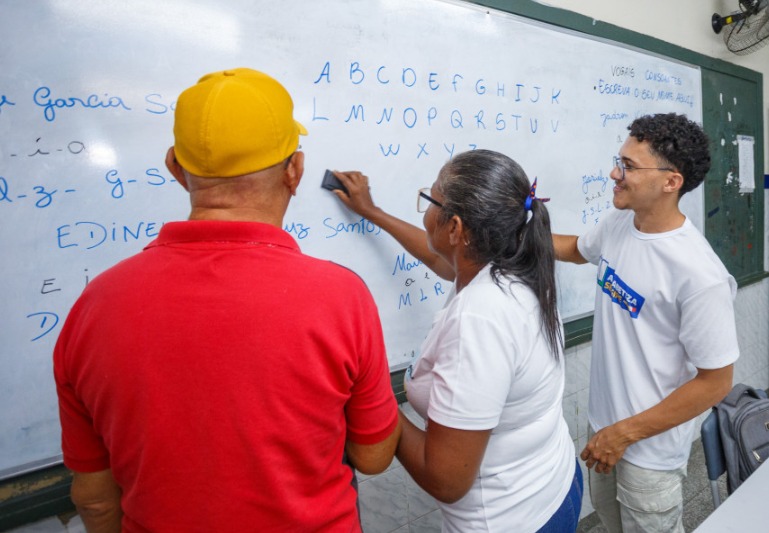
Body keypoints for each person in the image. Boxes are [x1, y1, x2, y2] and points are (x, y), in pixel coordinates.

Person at [53, 68, 400, 532]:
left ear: (176, 168)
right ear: (295, 170)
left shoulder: (94, 305)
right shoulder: (342, 297)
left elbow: (94, 499)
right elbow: (374, 457)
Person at [332, 149, 583, 533]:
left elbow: (446, 481)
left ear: (455, 229)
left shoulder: (481, 317)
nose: (425, 211)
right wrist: (374, 212)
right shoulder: (517, 265)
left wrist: (372, 396)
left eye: (430, 201)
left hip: (510, 520)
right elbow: (441, 262)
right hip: (555, 486)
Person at [553, 113, 739, 532]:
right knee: (609, 522)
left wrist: (625, 433)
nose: (614, 174)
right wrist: (510, 230)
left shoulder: (699, 274)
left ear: (671, 182)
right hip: (605, 428)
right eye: (619, 160)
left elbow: (716, 382)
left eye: (629, 167)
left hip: (648, 452)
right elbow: (574, 250)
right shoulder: (621, 222)